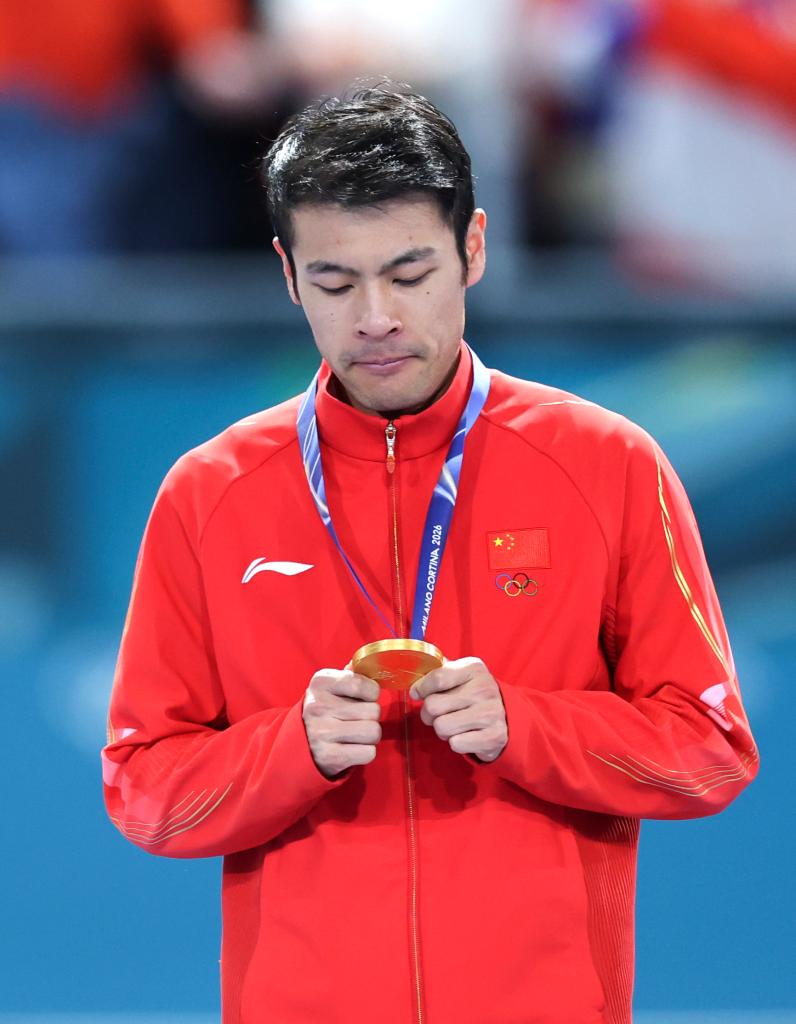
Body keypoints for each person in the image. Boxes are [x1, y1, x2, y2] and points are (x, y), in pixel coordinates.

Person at [102, 82, 759, 1024]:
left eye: (409, 274)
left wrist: (527, 727)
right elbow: (142, 787)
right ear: (288, 275)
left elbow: (710, 746)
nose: (375, 316)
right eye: (335, 283)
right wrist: (290, 749)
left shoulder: (607, 464)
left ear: (473, 249)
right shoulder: (210, 492)